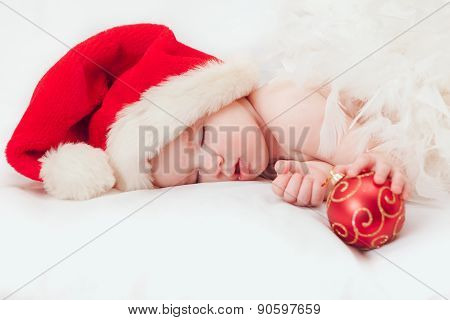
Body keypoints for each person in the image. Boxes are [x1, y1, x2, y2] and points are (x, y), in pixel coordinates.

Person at [150, 77, 410, 207]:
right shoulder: (264, 155)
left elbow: (380, 154)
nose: (212, 166)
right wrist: (321, 178)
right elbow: (335, 166)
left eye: (204, 137)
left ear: (223, 95)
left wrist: (379, 159)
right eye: (195, 177)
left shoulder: (285, 108)